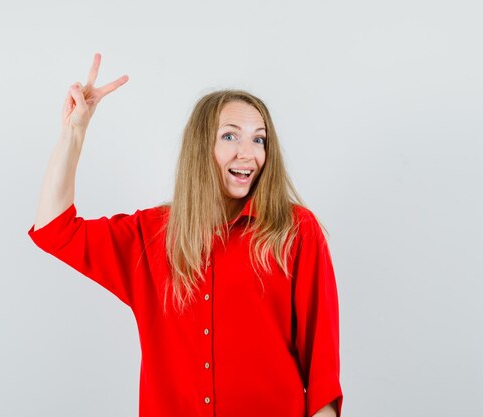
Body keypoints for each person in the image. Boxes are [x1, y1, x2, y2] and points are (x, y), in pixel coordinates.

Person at [28, 53, 343, 417]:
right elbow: (54, 230)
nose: (249, 153)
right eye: (230, 136)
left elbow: (322, 373)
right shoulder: (150, 235)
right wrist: (74, 132)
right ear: (200, 148)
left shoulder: (295, 230)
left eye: (260, 140)